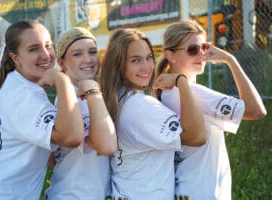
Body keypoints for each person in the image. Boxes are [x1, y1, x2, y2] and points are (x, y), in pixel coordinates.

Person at [0, 20, 86, 199]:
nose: (46, 55)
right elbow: (72, 137)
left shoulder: (10, 82)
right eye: (33, 49)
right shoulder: (23, 94)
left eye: (48, 46)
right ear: (15, 57)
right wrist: (62, 81)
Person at [155, 19, 267, 200]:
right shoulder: (194, 93)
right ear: (171, 55)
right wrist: (231, 60)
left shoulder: (167, 92)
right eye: (192, 49)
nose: (200, 54)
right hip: (203, 192)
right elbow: (256, 110)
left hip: (187, 189)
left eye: (204, 47)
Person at [100, 28, 206, 200]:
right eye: (135, 60)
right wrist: (181, 82)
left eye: (149, 57)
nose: (146, 66)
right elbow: (197, 136)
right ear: (118, 64)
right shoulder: (140, 106)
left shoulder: (118, 98)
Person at [44, 27, 117, 200]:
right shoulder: (69, 102)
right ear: (61, 63)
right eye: (77, 54)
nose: (88, 60)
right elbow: (105, 146)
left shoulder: (92, 96)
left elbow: (53, 157)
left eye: (92, 52)